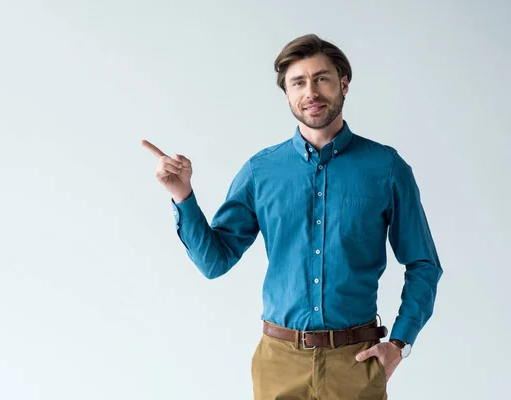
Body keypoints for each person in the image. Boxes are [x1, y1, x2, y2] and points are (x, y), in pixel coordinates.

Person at [142, 33, 442, 400]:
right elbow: (214, 262)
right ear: (286, 93)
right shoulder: (261, 171)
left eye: (322, 78)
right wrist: (182, 195)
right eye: (298, 82)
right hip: (278, 362)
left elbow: (424, 263)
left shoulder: (386, 168)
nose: (311, 92)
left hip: (356, 361)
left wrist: (399, 344)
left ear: (344, 84)